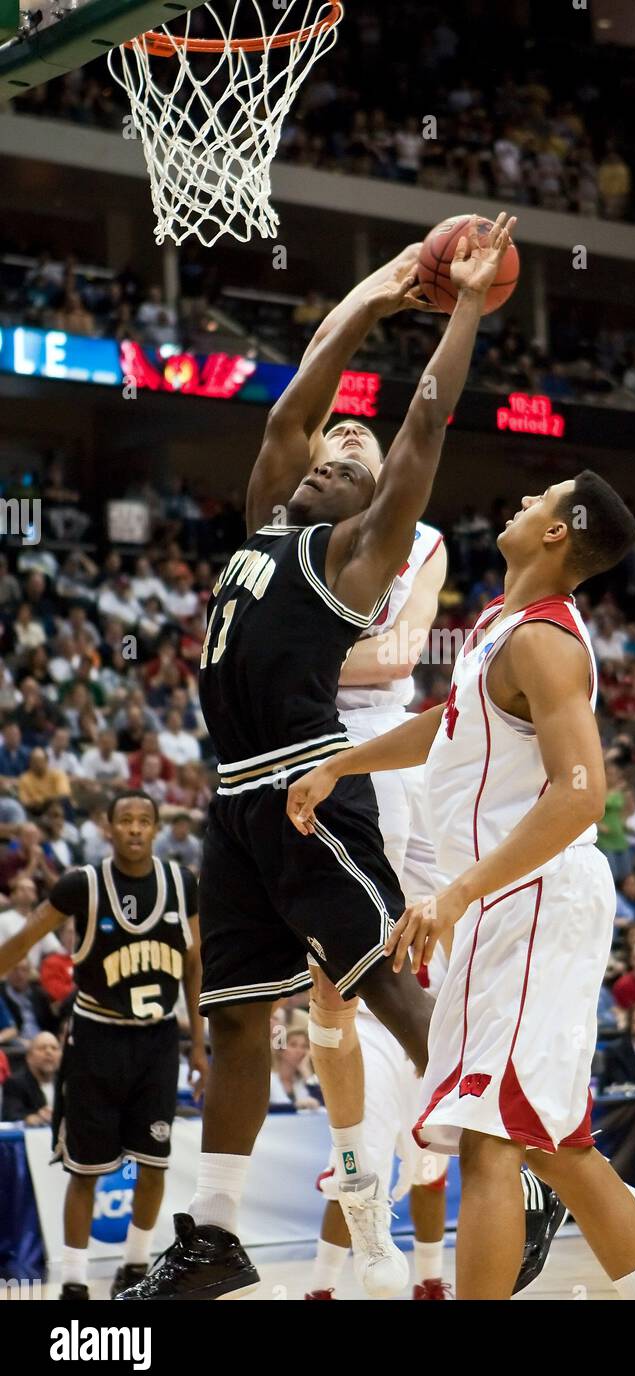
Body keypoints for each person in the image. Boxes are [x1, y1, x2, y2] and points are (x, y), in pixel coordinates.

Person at [120, 218, 521, 1303]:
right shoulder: (260, 520)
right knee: (237, 1016)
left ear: (370, 501)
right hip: (232, 799)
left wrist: (467, 311)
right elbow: (299, 395)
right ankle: (215, 1234)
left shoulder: (351, 557)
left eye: (356, 454)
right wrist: (376, 294)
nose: (336, 447)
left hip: (305, 788)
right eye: (332, 445)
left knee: (379, 984)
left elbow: (425, 425)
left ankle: (503, 1157)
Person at [289, 469, 635, 1301]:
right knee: (557, 1146)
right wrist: (343, 763)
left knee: (488, 1136)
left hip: (533, 897)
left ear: (557, 532)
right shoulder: (499, 627)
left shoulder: (545, 641)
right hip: (505, 902)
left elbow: (581, 794)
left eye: (538, 497)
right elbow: (442, 726)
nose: (519, 498)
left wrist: (458, 892)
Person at [306, 495, 451, 1301]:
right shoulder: (297, 536)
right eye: (336, 439)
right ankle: (347, 1254)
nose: (351, 446)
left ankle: (503, 1121)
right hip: (331, 742)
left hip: (400, 735)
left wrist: (309, 650)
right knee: (352, 954)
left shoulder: (423, 542)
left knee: (454, 917)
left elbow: (398, 657)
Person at [0, 790, 206, 1301]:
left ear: (155, 829)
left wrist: (199, 1044)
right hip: (97, 1038)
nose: (135, 828)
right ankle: (73, 1279)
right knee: (85, 1168)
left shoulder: (182, 885)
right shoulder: (82, 885)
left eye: (144, 820)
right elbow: (25, 940)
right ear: (108, 828)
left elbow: (195, 964)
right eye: (126, 820)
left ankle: (135, 1268)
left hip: (159, 1039)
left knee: (154, 1161)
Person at [1, 1031, 61, 1124]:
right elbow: (11, 1115)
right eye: (42, 1048)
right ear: (29, 1056)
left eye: (54, 1048)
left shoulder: (68, 1084)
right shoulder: (15, 1083)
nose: (49, 1052)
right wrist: (33, 1118)